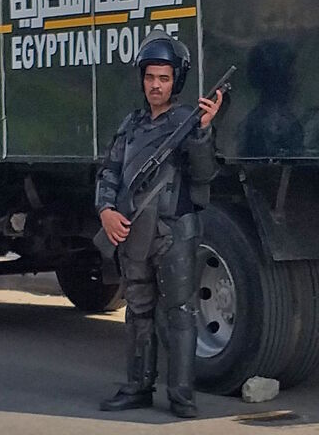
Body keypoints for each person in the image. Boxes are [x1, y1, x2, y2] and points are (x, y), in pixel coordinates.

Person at [96, 30, 223, 418]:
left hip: (174, 233)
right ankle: (137, 386)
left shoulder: (188, 123)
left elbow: (204, 173)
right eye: (150, 77)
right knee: (137, 309)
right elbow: (110, 171)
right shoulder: (131, 125)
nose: (156, 85)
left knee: (180, 313)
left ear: (175, 81)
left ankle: (182, 396)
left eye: (164, 78)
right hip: (133, 231)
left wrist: (203, 131)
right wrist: (105, 211)